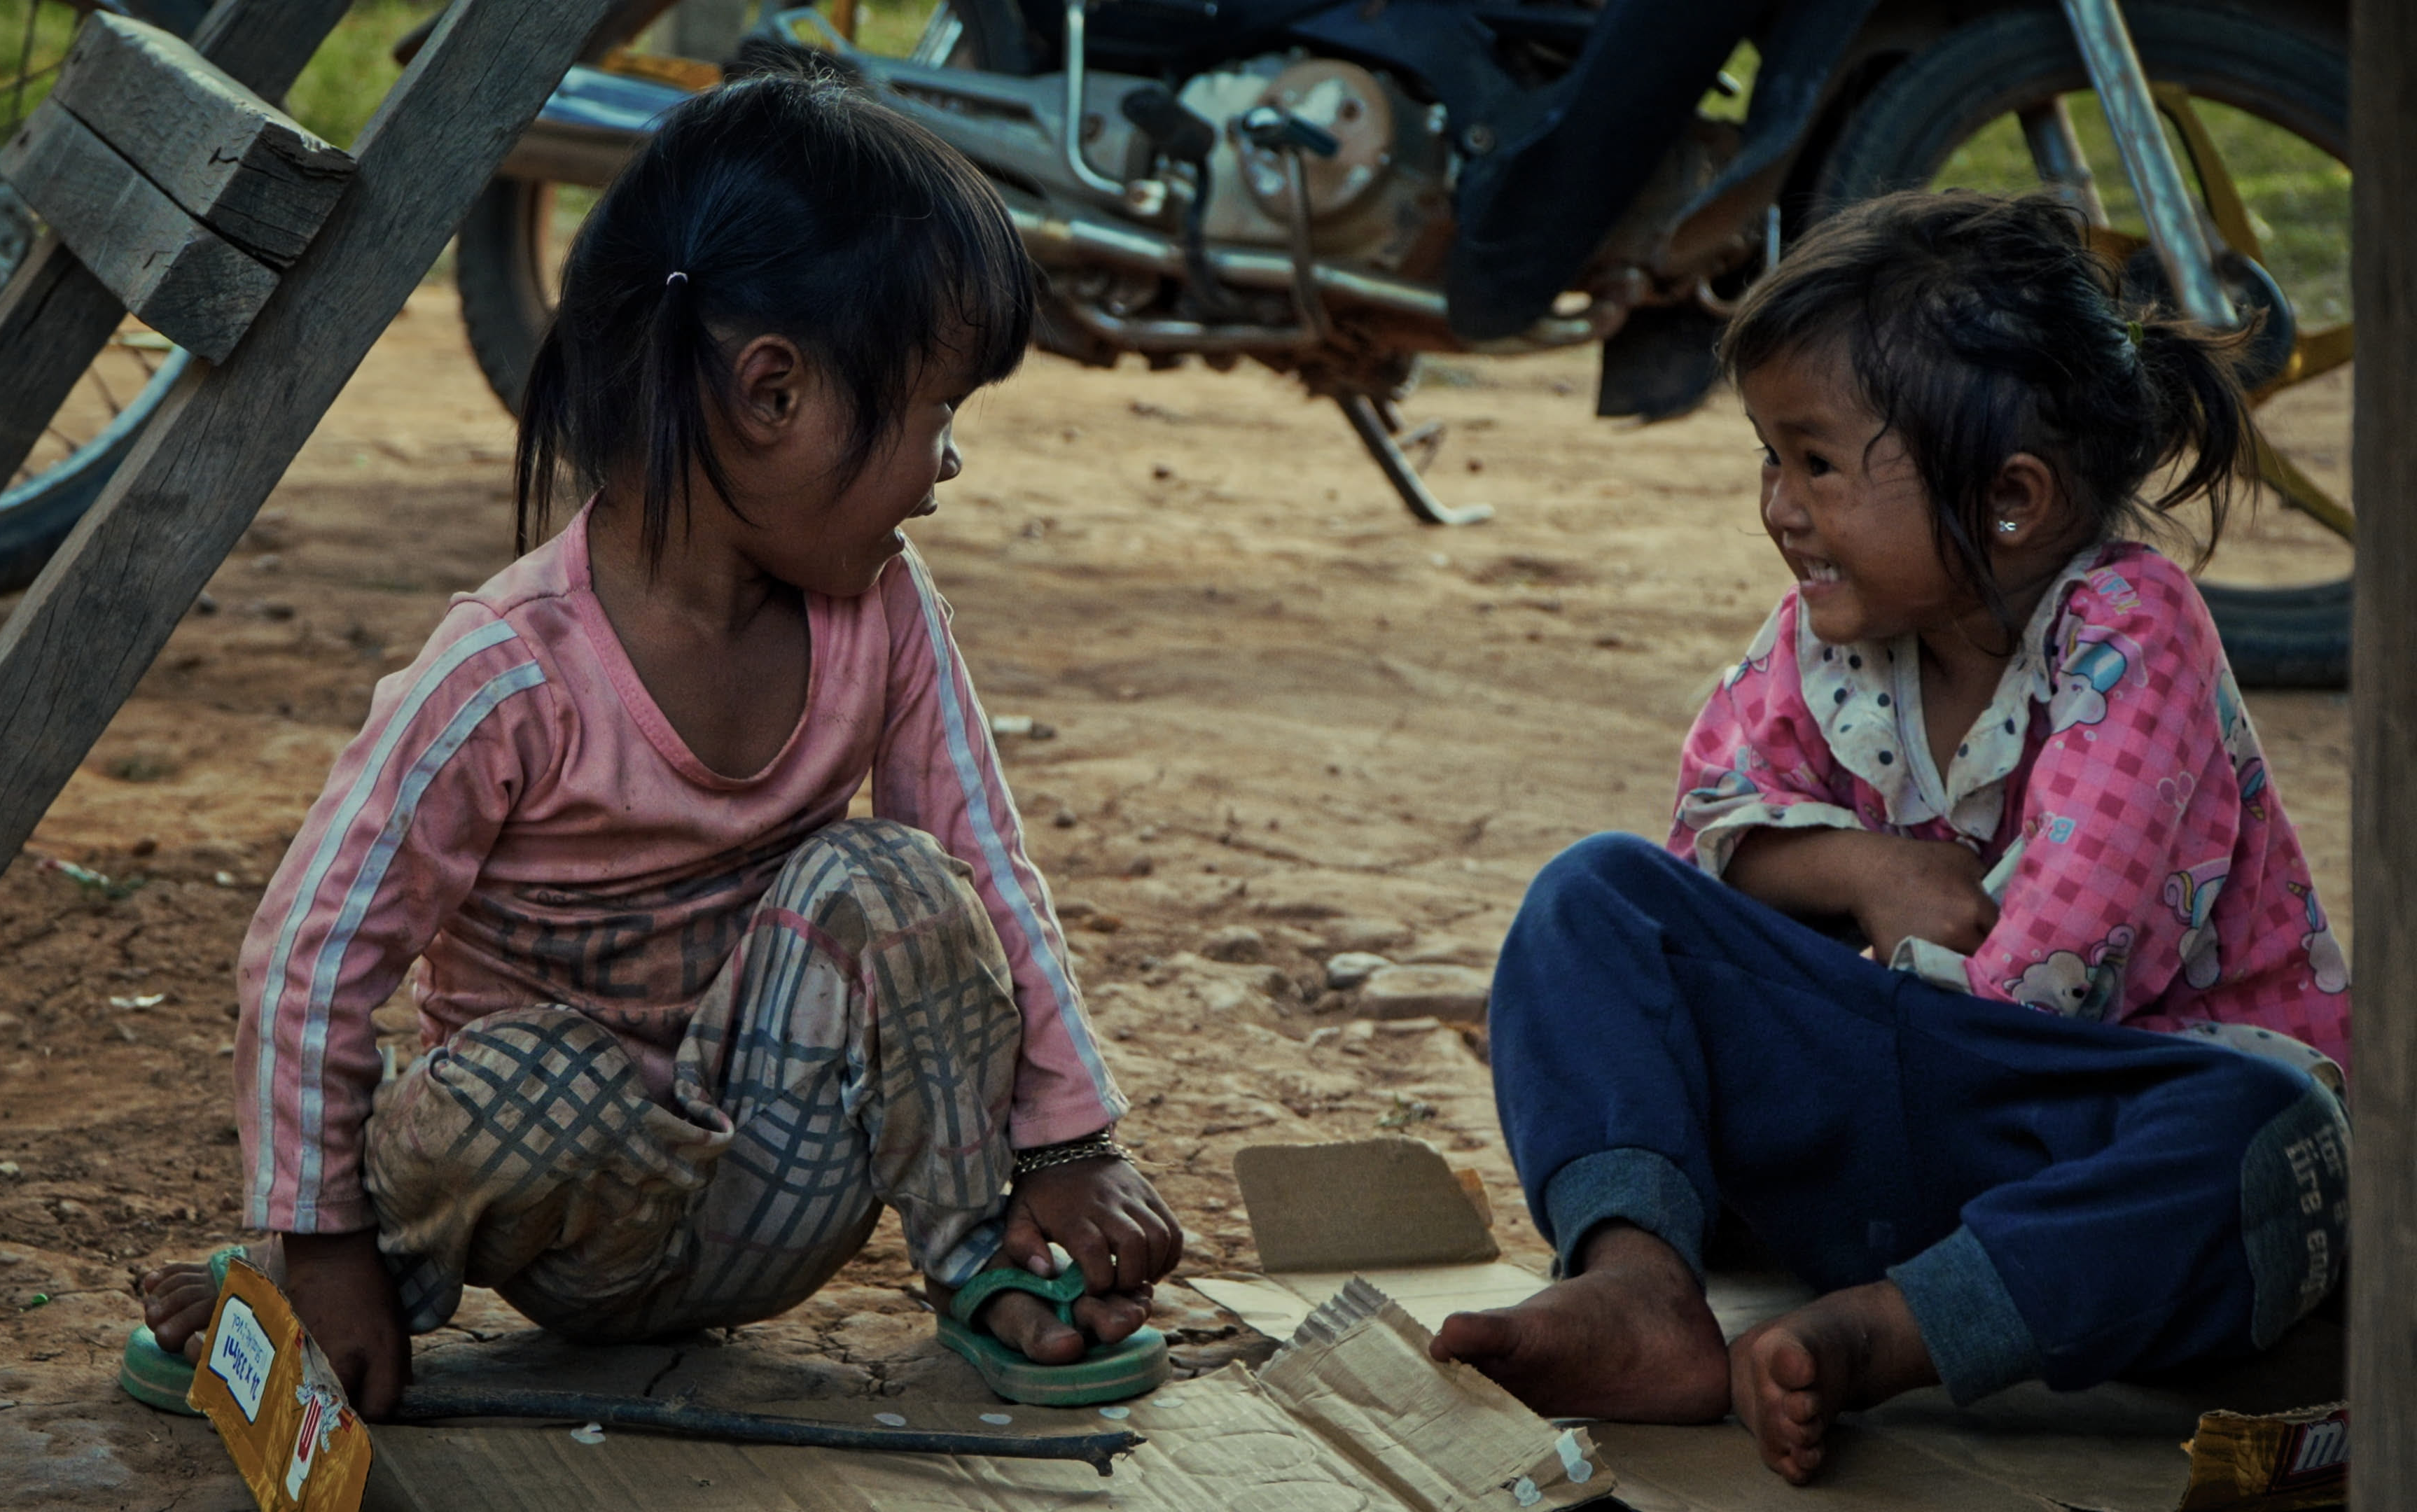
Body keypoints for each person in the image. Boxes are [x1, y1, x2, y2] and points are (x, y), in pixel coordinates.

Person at [130, 48, 1179, 1418]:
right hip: (559, 1215)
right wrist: (324, 1247)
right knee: (506, 1090)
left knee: (907, 883)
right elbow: (313, 955)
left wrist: (1069, 1138)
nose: (947, 466)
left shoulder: (888, 615)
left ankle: (984, 1257)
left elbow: (988, 862)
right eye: (933, 414)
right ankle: (333, 1272)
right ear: (772, 393)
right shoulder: (506, 675)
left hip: (783, 1192)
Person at [1430, 191, 2350, 1483]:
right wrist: (1863, 869)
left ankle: (1889, 1334)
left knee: (2271, 1133)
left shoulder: (2132, 628)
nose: (1778, 507)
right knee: (1596, 900)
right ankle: (1637, 1283)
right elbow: (1709, 822)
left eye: (1813, 461)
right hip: (1914, 1120)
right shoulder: (1826, 637)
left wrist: (1829, 1038)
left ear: (2013, 500)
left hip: (2077, 1134)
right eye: (1769, 456)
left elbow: (2053, 977)